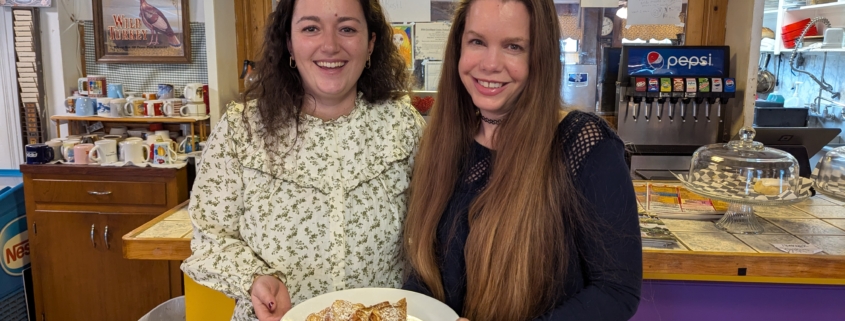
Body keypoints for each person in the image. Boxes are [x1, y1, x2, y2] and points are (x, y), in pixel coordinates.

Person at [181, 0, 423, 320]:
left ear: (371, 44)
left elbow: (438, 225)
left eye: (347, 29)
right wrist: (255, 279)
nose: (330, 45)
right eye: (311, 28)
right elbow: (209, 238)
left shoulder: (402, 124)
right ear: (289, 44)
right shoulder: (243, 129)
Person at [402, 0, 642, 320]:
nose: (490, 64)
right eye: (477, 42)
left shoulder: (583, 144)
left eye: (513, 46)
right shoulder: (443, 142)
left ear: (539, 58)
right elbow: (425, 271)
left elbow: (616, 292)